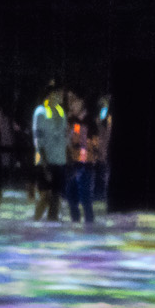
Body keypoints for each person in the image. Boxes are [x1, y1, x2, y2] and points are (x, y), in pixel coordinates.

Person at [31, 88, 68, 221]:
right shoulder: (40, 112)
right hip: (44, 161)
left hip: (60, 160)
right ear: (49, 95)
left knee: (56, 196)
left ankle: (52, 224)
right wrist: (44, 163)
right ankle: (35, 223)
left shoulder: (61, 112)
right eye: (56, 94)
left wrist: (68, 158)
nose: (59, 96)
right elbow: (38, 140)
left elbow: (64, 137)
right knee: (45, 195)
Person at [64, 94, 97, 224]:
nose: (71, 105)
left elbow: (87, 144)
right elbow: (72, 140)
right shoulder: (74, 121)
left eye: (74, 101)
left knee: (85, 198)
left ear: (81, 102)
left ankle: (89, 226)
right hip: (74, 164)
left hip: (84, 165)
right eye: (70, 102)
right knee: (72, 197)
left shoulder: (89, 121)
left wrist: (82, 163)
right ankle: (76, 224)